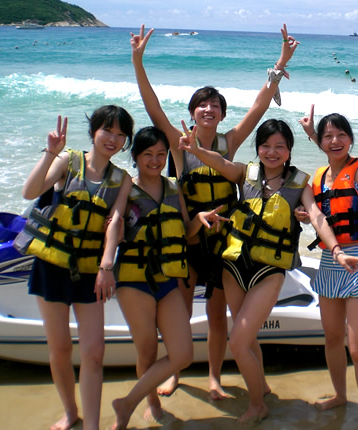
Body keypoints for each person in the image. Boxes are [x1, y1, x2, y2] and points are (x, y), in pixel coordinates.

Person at [130, 23, 299, 399]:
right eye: (202, 105)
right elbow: (153, 108)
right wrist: (138, 61)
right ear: (193, 112)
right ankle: (175, 371)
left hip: (226, 242)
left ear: (222, 115)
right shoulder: (179, 144)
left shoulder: (229, 142)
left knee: (218, 313)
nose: (209, 109)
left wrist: (280, 63)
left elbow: (258, 107)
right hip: (189, 238)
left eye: (215, 106)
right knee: (181, 311)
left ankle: (214, 377)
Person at [179, 118, 358, 423]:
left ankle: (257, 405)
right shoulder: (245, 173)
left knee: (238, 341)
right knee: (247, 337)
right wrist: (197, 151)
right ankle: (263, 388)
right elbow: (221, 163)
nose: (272, 152)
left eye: (279, 146)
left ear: (289, 150)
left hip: (268, 271)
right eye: (266, 145)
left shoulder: (299, 184)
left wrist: (336, 250)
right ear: (257, 149)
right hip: (234, 266)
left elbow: (318, 216)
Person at [13, 106, 134, 430]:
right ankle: (70, 413)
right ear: (94, 131)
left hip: (91, 271)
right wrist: (50, 154)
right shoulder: (68, 161)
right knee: (61, 348)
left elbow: (115, 222)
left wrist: (106, 265)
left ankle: (91, 425)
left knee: (94, 353)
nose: (113, 139)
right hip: (51, 265)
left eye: (121, 134)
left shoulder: (122, 179)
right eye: (108, 130)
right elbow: (29, 192)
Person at [110, 127, 227, 429]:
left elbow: (185, 232)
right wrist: (107, 258)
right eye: (148, 154)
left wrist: (199, 220)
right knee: (147, 350)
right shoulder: (126, 187)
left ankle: (126, 402)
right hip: (134, 280)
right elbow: (113, 228)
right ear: (135, 156)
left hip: (168, 280)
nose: (155, 160)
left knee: (183, 354)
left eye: (161, 154)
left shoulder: (174, 187)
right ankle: (151, 402)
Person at [299, 107, 358, 430]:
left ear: (351, 139)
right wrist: (302, 215)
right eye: (328, 136)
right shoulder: (316, 178)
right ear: (320, 141)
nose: (335, 141)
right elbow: (317, 217)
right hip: (330, 262)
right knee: (333, 338)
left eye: (341, 135)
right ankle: (339, 395)